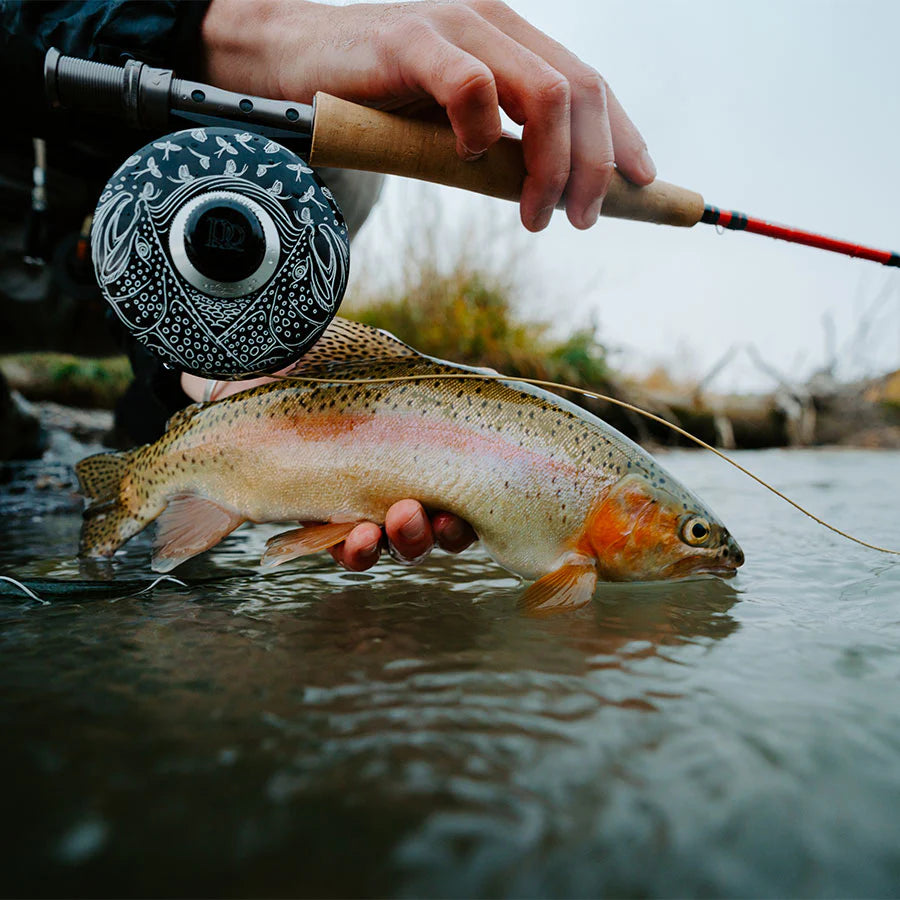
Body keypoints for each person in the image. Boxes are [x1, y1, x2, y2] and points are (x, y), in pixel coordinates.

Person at [1, 0, 656, 571]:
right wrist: (231, 31)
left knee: (325, 156)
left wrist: (228, 373)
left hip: (152, 321)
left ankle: (158, 424)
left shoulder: (282, 176)